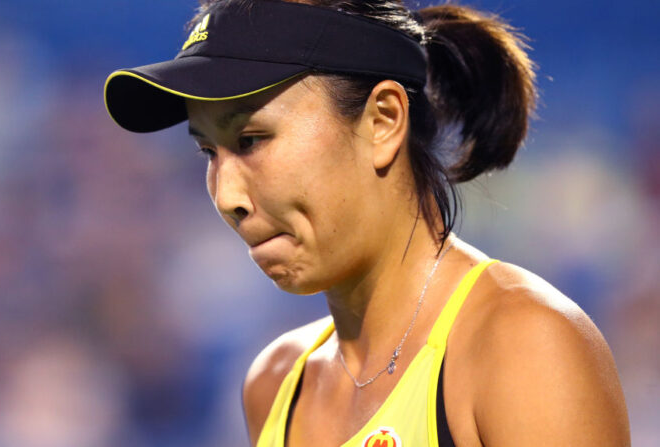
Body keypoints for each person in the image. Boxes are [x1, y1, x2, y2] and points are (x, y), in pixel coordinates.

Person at [103, 0, 631, 445]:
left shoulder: (524, 347)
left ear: (383, 121)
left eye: (251, 140)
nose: (227, 195)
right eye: (208, 152)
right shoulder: (276, 384)